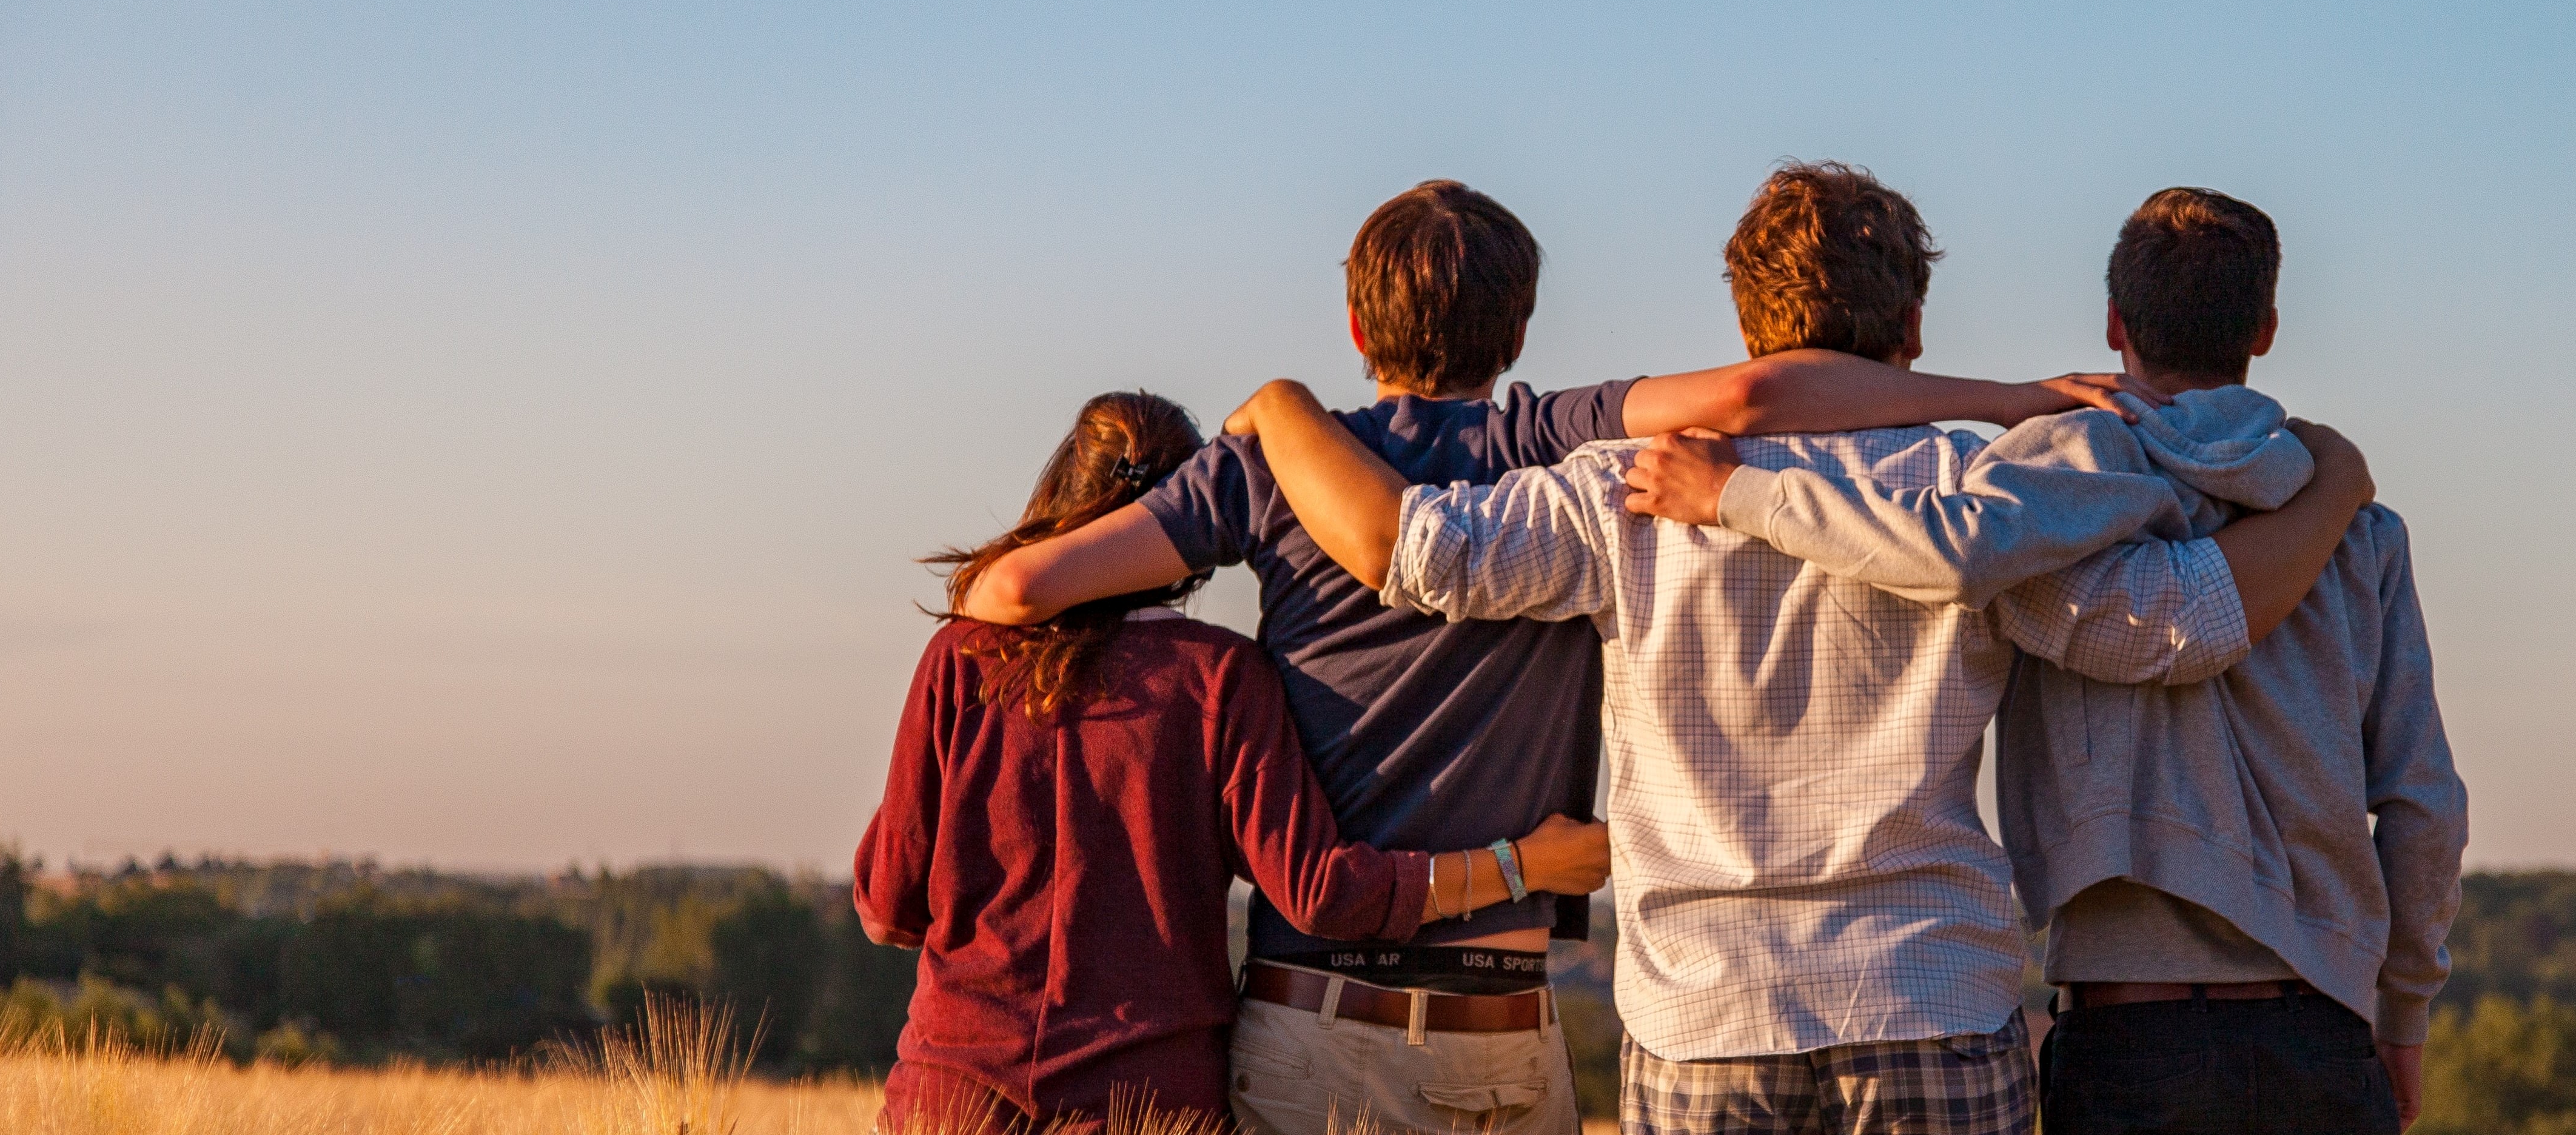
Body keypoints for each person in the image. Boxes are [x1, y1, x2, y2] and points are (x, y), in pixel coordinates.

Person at [951, 180, 2164, 1135]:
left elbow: (1013, 590)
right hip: (1580, 1010)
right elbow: (1753, 395)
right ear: (1520, 326)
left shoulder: (1301, 467)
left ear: (1357, 325)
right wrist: (2011, 400)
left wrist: (1268, 418)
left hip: (1357, 1010)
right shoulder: (1554, 439)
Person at [1233, 163, 2378, 1135]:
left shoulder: (1618, 492)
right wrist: (2328, 491)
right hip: (1927, 991)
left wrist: (1281, 410)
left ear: (1745, 325)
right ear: (1912, 328)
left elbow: (1417, 553)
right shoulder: (1977, 493)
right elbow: (2172, 627)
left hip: (1702, 1018)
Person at [1624, 187, 2469, 1134]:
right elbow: (2425, 802)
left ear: (2115, 322)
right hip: (2326, 1028)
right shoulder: (2362, 532)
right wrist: (2403, 1010)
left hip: (2128, 1030)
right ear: (2264, 327)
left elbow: (1956, 552)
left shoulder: (2049, 494)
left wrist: (1742, 492)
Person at [853, 390, 1612, 1134]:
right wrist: (1523, 866)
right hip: (1145, 1100)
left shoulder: (960, 658)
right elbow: (1321, 894)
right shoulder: (1218, 677)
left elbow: (889, 907)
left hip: (952, 1093)